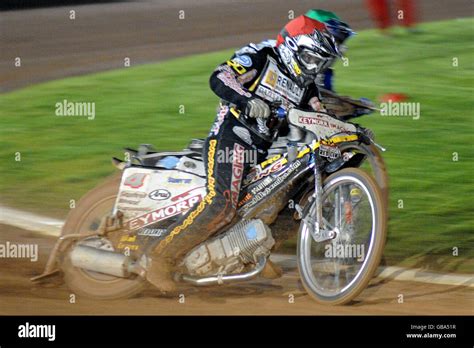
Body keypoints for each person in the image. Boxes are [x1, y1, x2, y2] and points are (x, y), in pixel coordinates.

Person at [146, 15, 342, 293]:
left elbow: (319, 116)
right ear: (293, 47)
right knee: (222, 204)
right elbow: (219, 77)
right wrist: (248, 100)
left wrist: (345, 132)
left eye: (321, 62)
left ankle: (251, 253)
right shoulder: (261, 56)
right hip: (231, 137)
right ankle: (159, 258)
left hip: (262, 151)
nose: (315, 67)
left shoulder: (306, 87)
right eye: (312, 58)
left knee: (290, 203)